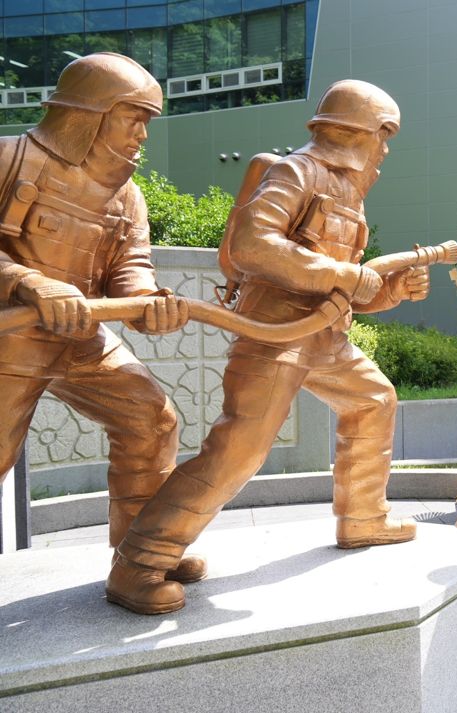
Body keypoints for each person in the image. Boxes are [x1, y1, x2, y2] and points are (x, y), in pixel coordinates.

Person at [107, 79, 429, 614]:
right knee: (240, 451)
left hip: (323, 337)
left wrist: (392, 290)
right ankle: (139, 561)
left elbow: (346, 288)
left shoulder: (349, 193)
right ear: (359, 131)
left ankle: (363, 517)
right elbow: (254, 245)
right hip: (276, 335)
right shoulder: (296, 171)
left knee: (374, 400)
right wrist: (348, 275)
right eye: (384, 134)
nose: (386, 149)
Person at [0, 53, 203, 583]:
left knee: (151, 420)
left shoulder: (128, 196)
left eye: (146, 121)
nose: (142, 133)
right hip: (10, 343)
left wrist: (149, 306)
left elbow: (130, 270)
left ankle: (142, 560)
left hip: (81, 339)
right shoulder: (8, 160)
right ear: (91, 112)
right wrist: (30, 282)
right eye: (133, 116)